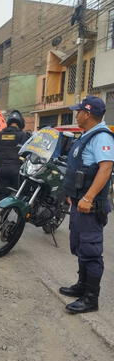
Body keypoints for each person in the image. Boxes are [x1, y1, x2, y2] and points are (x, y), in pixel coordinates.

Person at [60, 96, 114, 314]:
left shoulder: (102, 137)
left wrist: (89, 197)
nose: (76, 114)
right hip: (79, 202)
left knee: (91, 250)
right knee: (80, 246)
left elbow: (106, 168)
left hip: (90, 206)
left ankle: (91, 299)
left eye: (79, 111)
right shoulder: (87, 135)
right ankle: (82, 286)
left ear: (88, 114)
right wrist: (73, 194)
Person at [0, 110, 29, 200]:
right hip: (17, 171)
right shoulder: (23, 136)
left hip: (2, 170)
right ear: (21, 123)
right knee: (20, 196)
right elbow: (28, 154)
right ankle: (19, 213)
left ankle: (2, 214)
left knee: (3, 196)